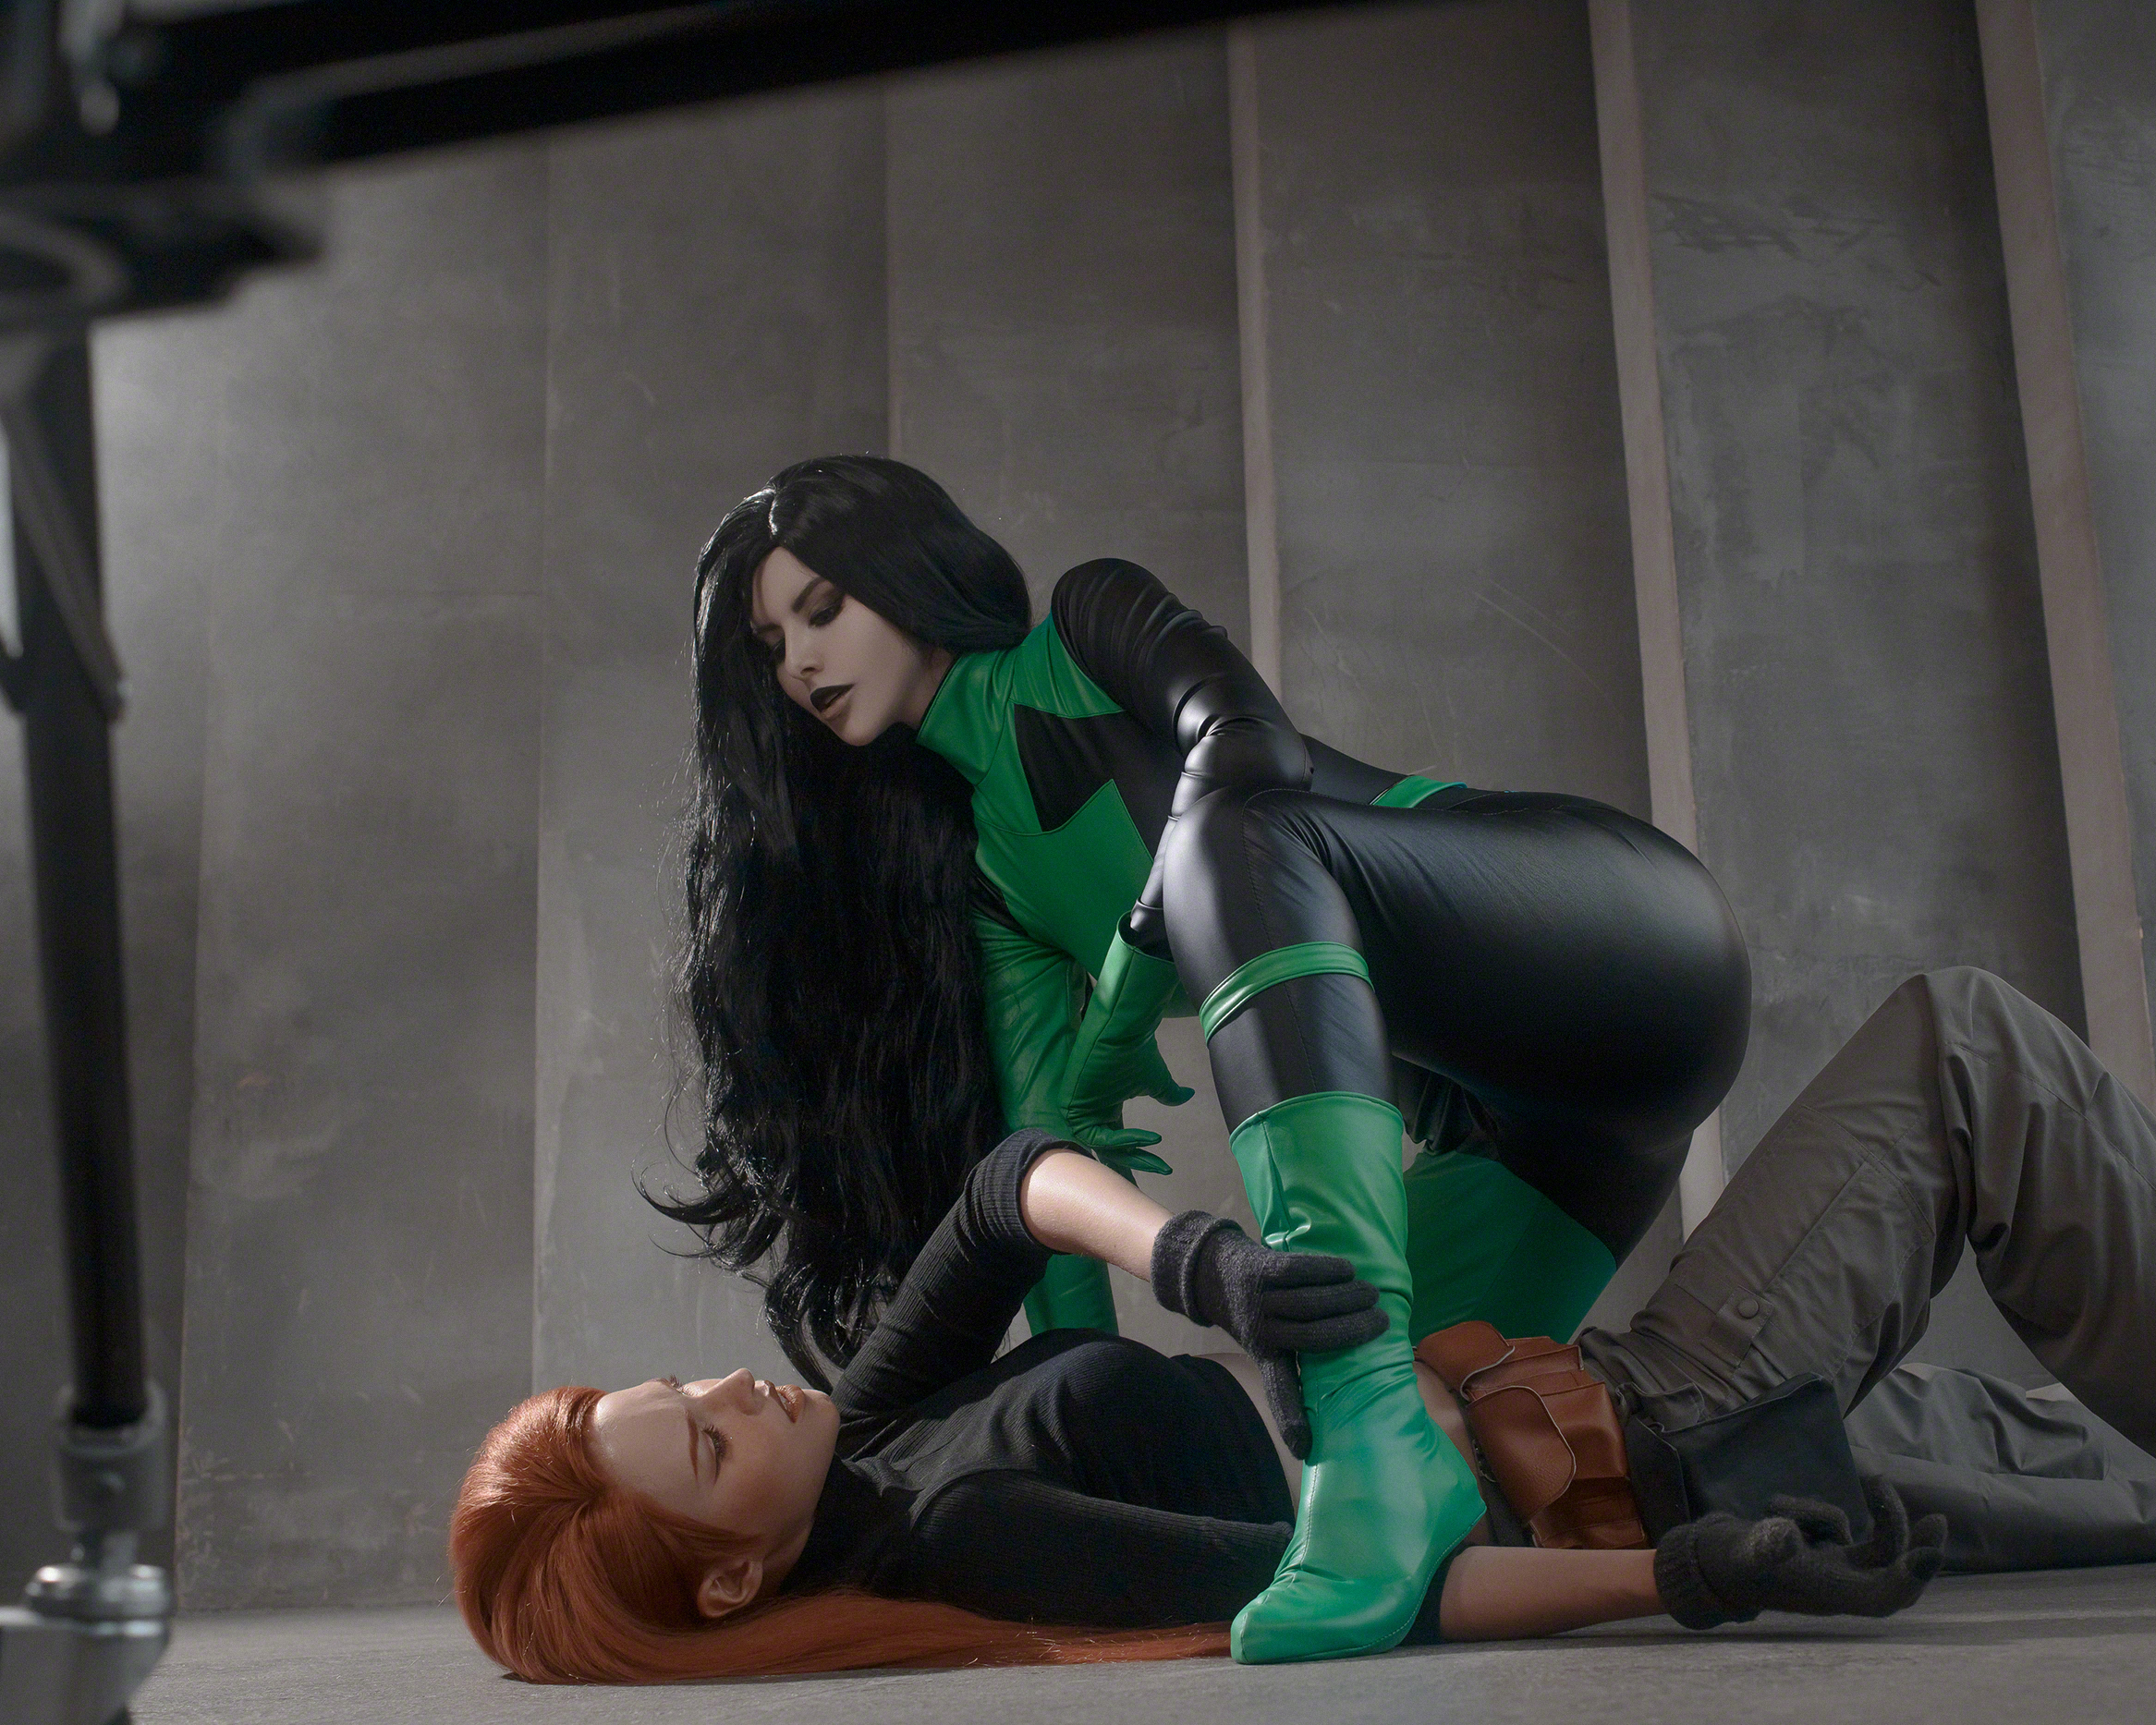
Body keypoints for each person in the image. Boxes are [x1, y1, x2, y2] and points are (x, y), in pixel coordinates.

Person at [661, 455, 1748, 1660]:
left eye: (821, 611)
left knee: (1235, 836)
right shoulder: (994, 887)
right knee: (1424, 1427)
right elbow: (1048, 1161)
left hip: (1621, 945)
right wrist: (1096, 1388)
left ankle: (1380, 1450)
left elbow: (1245, 754)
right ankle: (1778, 1522)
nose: (800, 665)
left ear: (906, 576)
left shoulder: (1085, 627)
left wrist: (1125, 992)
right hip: (1552, 1145)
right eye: (773, 646)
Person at [455, 1129, 1948, 1683]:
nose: (734, 1388)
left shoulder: (868, 1433)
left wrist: (1192, 1261)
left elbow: (1005, 1193)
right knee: (1961, 1051)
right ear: (731, 1580)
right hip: (1628, 1456)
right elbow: (1365, 1588)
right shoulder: (965, 1536)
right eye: (706, 1440)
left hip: (1551, 1391)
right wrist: (1681, 1577)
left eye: (681, 1384)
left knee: (2042, 1455)